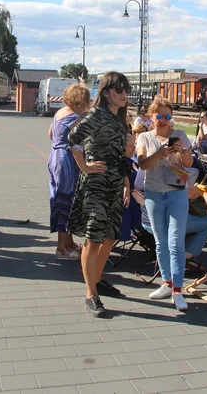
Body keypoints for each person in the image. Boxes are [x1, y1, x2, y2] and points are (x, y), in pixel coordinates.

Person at [68, 72, 132, 317]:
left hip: (115, 182)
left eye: (126, 89)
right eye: (119, 90)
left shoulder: (119, 118)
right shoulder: (96, 115)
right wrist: (84, 166)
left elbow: (120, 155)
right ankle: (90, 293)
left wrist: (126, 181)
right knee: (94, 238)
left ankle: (97, 279)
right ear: (106, 92)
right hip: (96, 183)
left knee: (110, 237)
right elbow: (72, 139)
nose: (124, 94)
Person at [136, 96, 193, 312]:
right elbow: (142, 164)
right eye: (159, 116)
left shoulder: (179, 135)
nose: (163, 120)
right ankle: (167, 283)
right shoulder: (144, 137)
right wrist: (160, 152)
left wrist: (180, 151)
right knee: (160, 242)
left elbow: (189, 163)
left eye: (167, 116)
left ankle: (178, 290)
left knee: (176, 242)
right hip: (154, 194)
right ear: (151, 117)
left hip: (177, 193)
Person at [47, 83, 91, 260]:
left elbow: (50, 134)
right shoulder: (76, 117)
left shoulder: (60, 112)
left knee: (62, 199)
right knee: (65, 200)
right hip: (66, 159)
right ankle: (61, 248)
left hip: (55, 156)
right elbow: (81, 140)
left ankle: (69, 242)